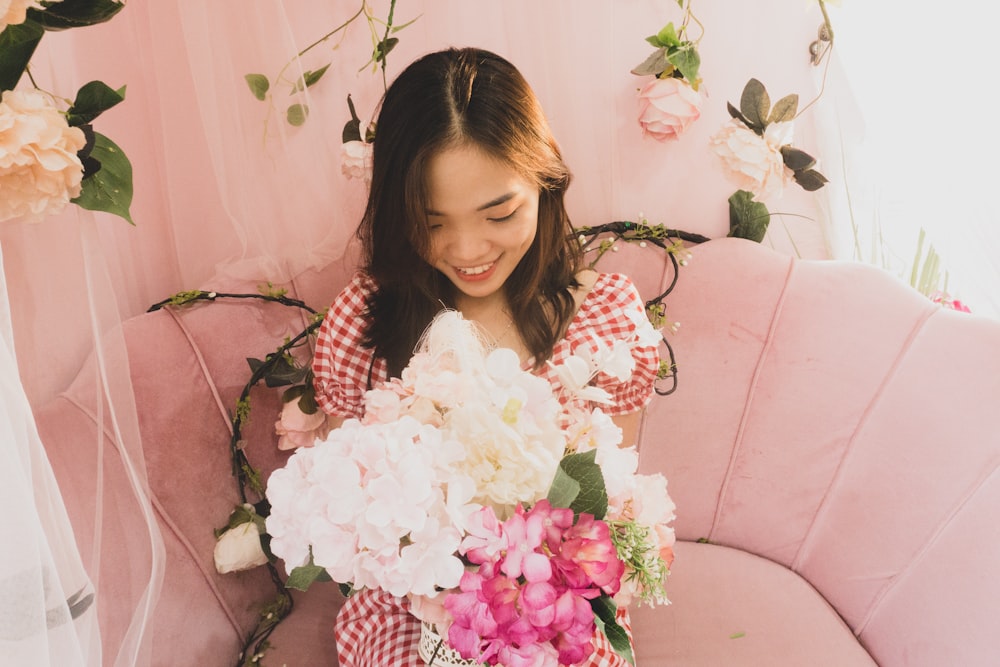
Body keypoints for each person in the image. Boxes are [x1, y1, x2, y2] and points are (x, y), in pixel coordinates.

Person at [311, 46, 659, 667]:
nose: (467, 249)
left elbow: (602, 516)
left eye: (499, 213)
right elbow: (356, 530)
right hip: (407, 602)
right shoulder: (362, 322)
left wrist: (524, 598)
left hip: (553, 603)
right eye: (431, 221)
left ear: (544, 180)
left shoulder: (603, 323)